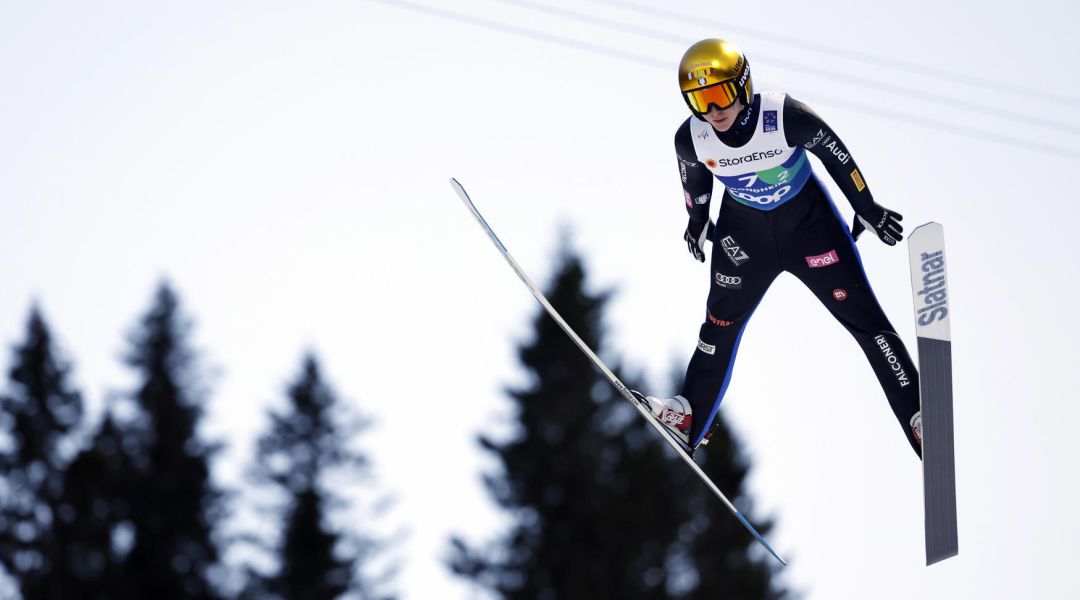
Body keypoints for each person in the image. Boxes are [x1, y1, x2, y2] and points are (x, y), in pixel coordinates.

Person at [639, 39, 922, 457]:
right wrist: (697, 223)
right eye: (699, 100)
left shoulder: (785, 116)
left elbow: (837, 156)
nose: (713, 110)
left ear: (744, 85)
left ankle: (918, 415)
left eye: (719, 94)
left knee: (865, 320)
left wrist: (866, 208)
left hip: (810, 228)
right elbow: (694, 183)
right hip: (744, 237)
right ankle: (690, 418)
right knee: (718, 326)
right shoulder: (692, 139)